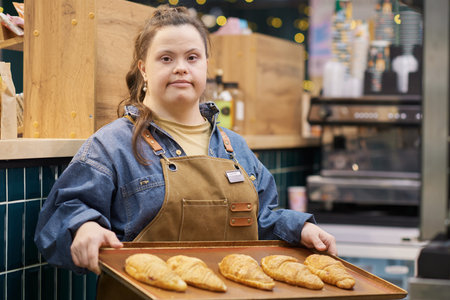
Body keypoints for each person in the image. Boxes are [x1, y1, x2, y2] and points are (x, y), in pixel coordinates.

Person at [34, 4, 336, 298]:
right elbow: (60, 217)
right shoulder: (111, 145)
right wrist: (83, 228)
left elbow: (264, 219)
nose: (181, 67)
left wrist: (300, 229)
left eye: (192, 57)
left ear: (205, 64)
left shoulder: (235, 148)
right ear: (144, 69)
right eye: (166, 58)